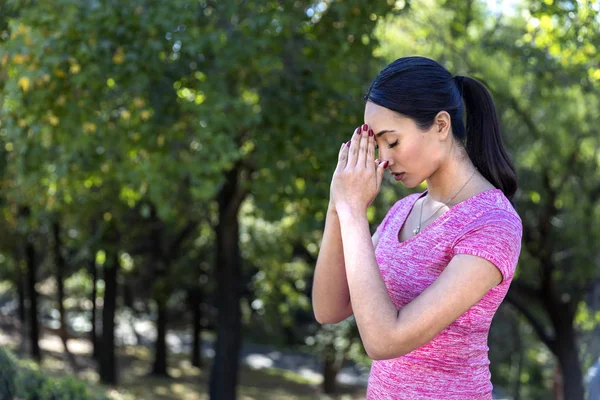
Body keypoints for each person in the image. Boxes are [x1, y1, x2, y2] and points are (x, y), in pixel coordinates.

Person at [312, 56, 522, 399]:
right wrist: (338, 206)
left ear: (441, 125)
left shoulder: (493, 224)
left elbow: (384, 340)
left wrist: (353, 212)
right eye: (376, 144)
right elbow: (329, 308)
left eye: (391, 141)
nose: (384, 158)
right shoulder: (403, 210)